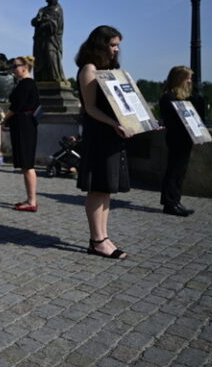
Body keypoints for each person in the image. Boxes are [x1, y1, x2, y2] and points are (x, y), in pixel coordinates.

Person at [75, 25, 130, 259]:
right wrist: (113, 124)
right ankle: (97, 240)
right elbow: (90, 108)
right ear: (100, 45)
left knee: (106, 189)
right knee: (98, 188)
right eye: (112, 44)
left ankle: (103, 236)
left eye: (118, 45)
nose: (117, 49)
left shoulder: (109, 70)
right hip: (99, 133)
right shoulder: (89, 69)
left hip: (111, 134)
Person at [3, 56, 40, 212]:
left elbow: (16, 106)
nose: (13, 69)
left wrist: (4, 118)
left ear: (25, 67)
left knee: (27, 164)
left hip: (24, 125)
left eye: (15, 66)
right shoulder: (26, 83)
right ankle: (30, 199)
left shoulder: (26, 83)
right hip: (25, 124)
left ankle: (32, 201)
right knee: (26, 164)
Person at [159, 66, 196, 217]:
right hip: (177, 138)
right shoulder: (168, 98)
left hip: (183, 139)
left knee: (180, 171)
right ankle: (170, 203)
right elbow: (173, 121)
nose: (190, 81)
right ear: (179, 78)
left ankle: (175, 201)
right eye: (188, 77)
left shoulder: (178, 98)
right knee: (174, 171)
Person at [31, 0, 66, 82]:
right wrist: (37, 20)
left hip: (52, 39)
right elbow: (33, 22)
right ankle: (41, 79)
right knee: (39, 59)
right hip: (40, 39)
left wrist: (43, 21)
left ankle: (55, 77)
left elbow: (54, 25)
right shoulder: (42, 9)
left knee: (51, 55)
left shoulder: (57, 9)